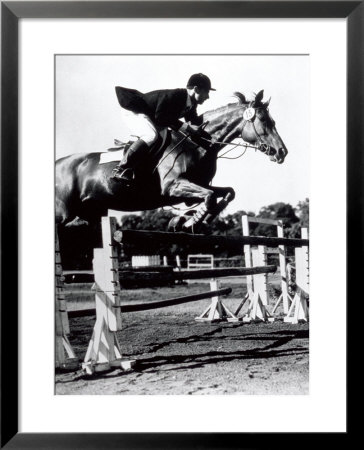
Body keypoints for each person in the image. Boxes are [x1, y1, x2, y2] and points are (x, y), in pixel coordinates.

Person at [111, 73, 215, 182]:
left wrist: (211, 137)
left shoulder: (191, 104)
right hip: (134, 111)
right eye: (206, 92)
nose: (208, 97)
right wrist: (188, 128)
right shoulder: (175, 96)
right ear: (196, 89)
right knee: (150, 136)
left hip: (152, 116)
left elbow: (193, 122)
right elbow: (161, 118)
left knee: (165, 140)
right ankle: (120, 169)